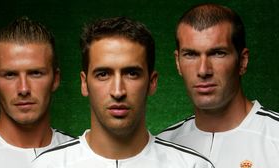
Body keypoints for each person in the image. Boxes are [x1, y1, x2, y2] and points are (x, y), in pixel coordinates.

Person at [33, 16, 214, 168]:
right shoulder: (48, 165)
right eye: (103, 74)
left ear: (152, 82)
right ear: (84, 83)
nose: (118, 91)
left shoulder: (192, 165)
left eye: (132, 73)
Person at [158, 3, 279, 168]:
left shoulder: (275, 137)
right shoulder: (161, 148)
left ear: (242, 61)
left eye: (218, 53)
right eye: (191, 55)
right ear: (178, 63)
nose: (203, 70)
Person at [0, 17, 73, 168]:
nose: (23, 89)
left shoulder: (82, 157)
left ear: (56, 79)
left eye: (35, 73)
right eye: (10, 75)